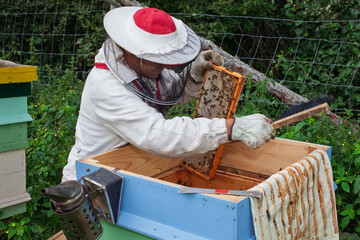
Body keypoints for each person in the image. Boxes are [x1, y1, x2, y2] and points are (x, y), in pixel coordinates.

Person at [62, 7, 275, 182]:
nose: (165, 66)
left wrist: (193, 74)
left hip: (127, 174)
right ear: (132, 50)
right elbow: (158, 134)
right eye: (158, 59)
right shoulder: (106, 86)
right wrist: (229, 128)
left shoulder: (142, 67)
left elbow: (171, 93)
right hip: (90, 184)